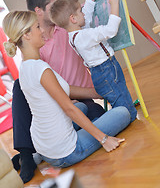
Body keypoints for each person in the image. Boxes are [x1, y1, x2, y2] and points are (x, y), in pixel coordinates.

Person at [3, 10, 131, 177]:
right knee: (123, 113)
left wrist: (97, 93)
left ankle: (38, 156)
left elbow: (65, 90)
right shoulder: (42, 69)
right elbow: (69, 108)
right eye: (37, 27)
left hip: (44, 145)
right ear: (26, 35)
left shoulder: (26, 67)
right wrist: (104, 139)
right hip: (66, 153)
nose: (42, 31)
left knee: (83, 109)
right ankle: (49, 153)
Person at [11, 0, 106, 183]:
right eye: (53, 5)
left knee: (97, 117)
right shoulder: (35, 48)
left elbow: (85, 12)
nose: (59, 7)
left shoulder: (67, 26)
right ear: (38, 12)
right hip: (60, 104)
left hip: (80, 99)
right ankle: (27, 155)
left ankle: (37, 155)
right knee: (19, 86)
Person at [50, 0, 137, 122]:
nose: (83, 14)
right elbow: (110, 30)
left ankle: (124, 113)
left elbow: (87, 16)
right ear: (73, 18)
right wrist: (114, 5)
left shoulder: (75, 35)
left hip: (101, 71)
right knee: (122, 99)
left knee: (119, 95)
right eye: (80, 11)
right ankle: (126, 119)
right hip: (106, 70)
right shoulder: (83, 37)